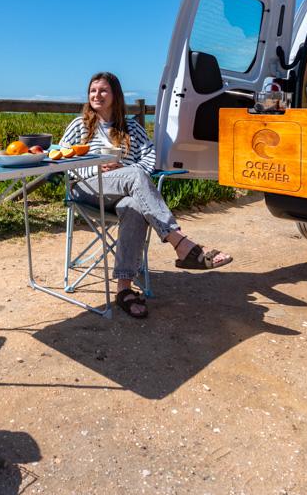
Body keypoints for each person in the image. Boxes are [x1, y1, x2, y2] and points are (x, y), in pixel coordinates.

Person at [59, 71, 232, 319]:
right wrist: (97, 167)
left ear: (115, 95)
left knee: (135, 206)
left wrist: (124, 171)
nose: (97, 95)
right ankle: (182, 244)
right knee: (136, 177)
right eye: (93, 90)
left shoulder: (131, 128)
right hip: (87, 187)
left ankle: (123, 290)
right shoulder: (80, 125)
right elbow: (64, 159)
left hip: (123, 193)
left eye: (103, 90)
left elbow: (149, 158)